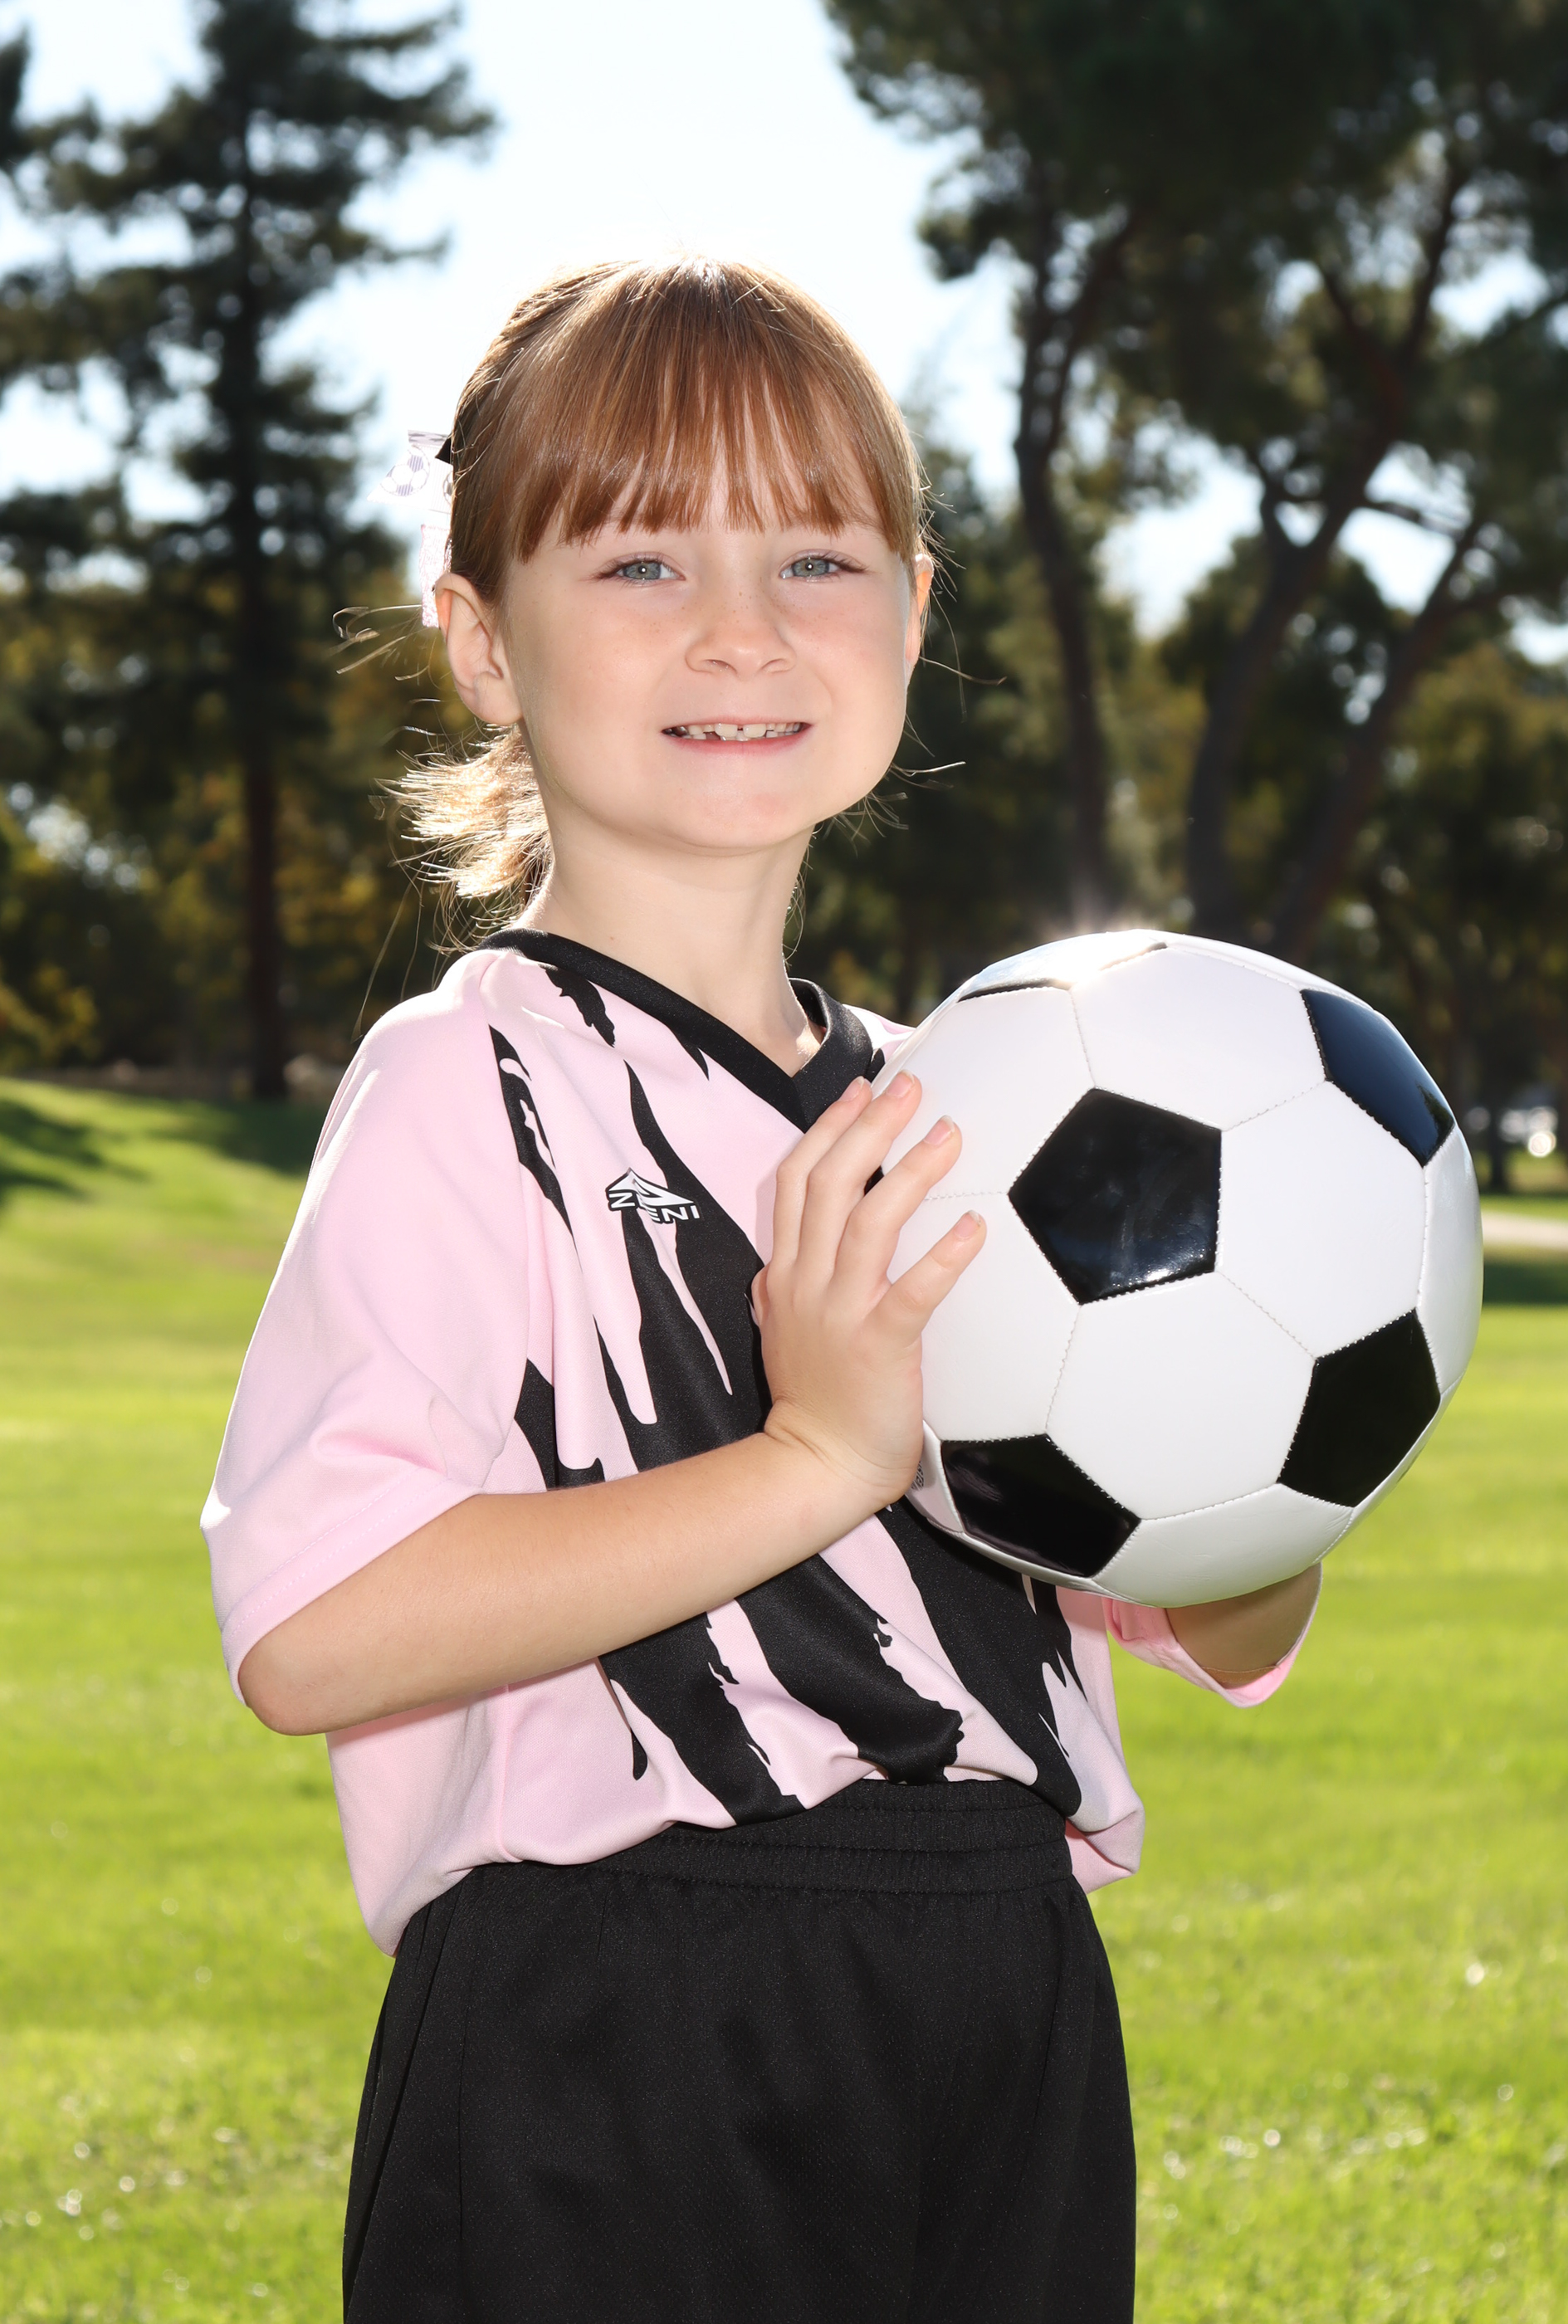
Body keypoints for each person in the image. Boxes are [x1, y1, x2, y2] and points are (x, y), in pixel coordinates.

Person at [203, 255, 1321, 2324]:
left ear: (909, 614)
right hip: (622, 2009)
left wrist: (1279, 1448)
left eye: (817, 557)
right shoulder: (475, 1080)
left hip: (1000, 1984)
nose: (741, 627)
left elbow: (1206, 1602)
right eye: (640, 559)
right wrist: (812, 1456)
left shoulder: (981, 1101)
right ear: (482, 639)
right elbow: (319, 1627)